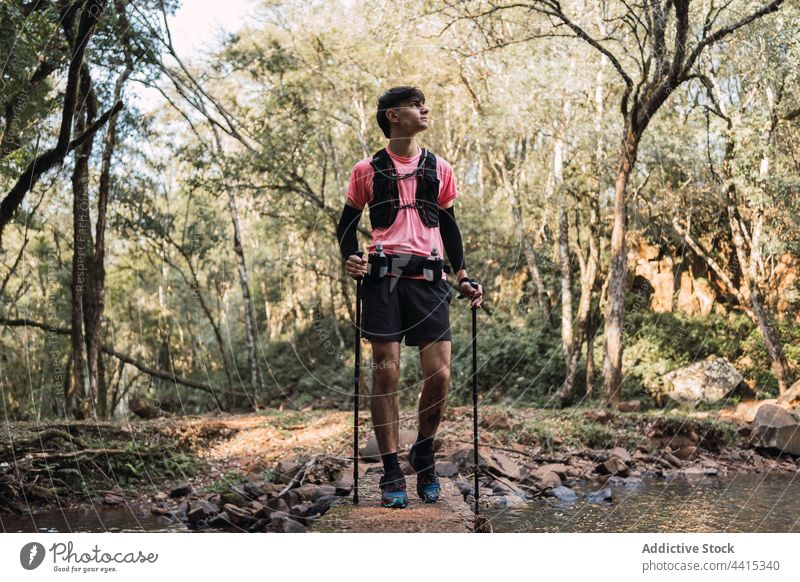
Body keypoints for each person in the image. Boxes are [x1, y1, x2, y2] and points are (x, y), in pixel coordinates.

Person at [335, 86, 483, 509]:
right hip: (382, 281)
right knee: (387, 374)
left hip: (430, 280)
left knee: (440, 376)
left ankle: (423, 449)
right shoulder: (366, 169)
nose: (425, 110)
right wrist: (351, 256)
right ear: (392, 116)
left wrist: (463, 274)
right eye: (416, 106)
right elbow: (346, 224)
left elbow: (449, 226)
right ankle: (391, 470)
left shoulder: (439, 167)